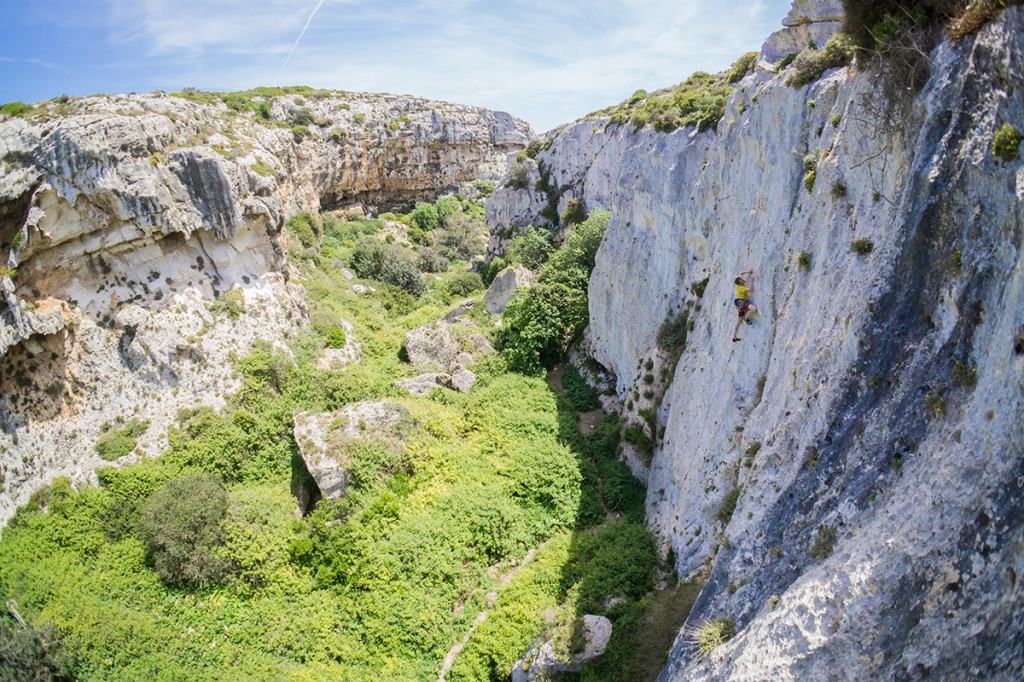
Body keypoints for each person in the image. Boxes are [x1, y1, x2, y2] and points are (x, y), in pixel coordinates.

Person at [732, 269, 757, 342]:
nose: (743, 280)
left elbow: (740, 272)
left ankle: (734, 337)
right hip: (742, 303)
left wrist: (748, 272)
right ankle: (746, 318)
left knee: (739, 322)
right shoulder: (742, 288)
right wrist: (752, 280)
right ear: (740, 283)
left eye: (742, 279)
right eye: (741, 280)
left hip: (740, 302)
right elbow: (752, 290)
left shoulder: (739, 283)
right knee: (753, 309)